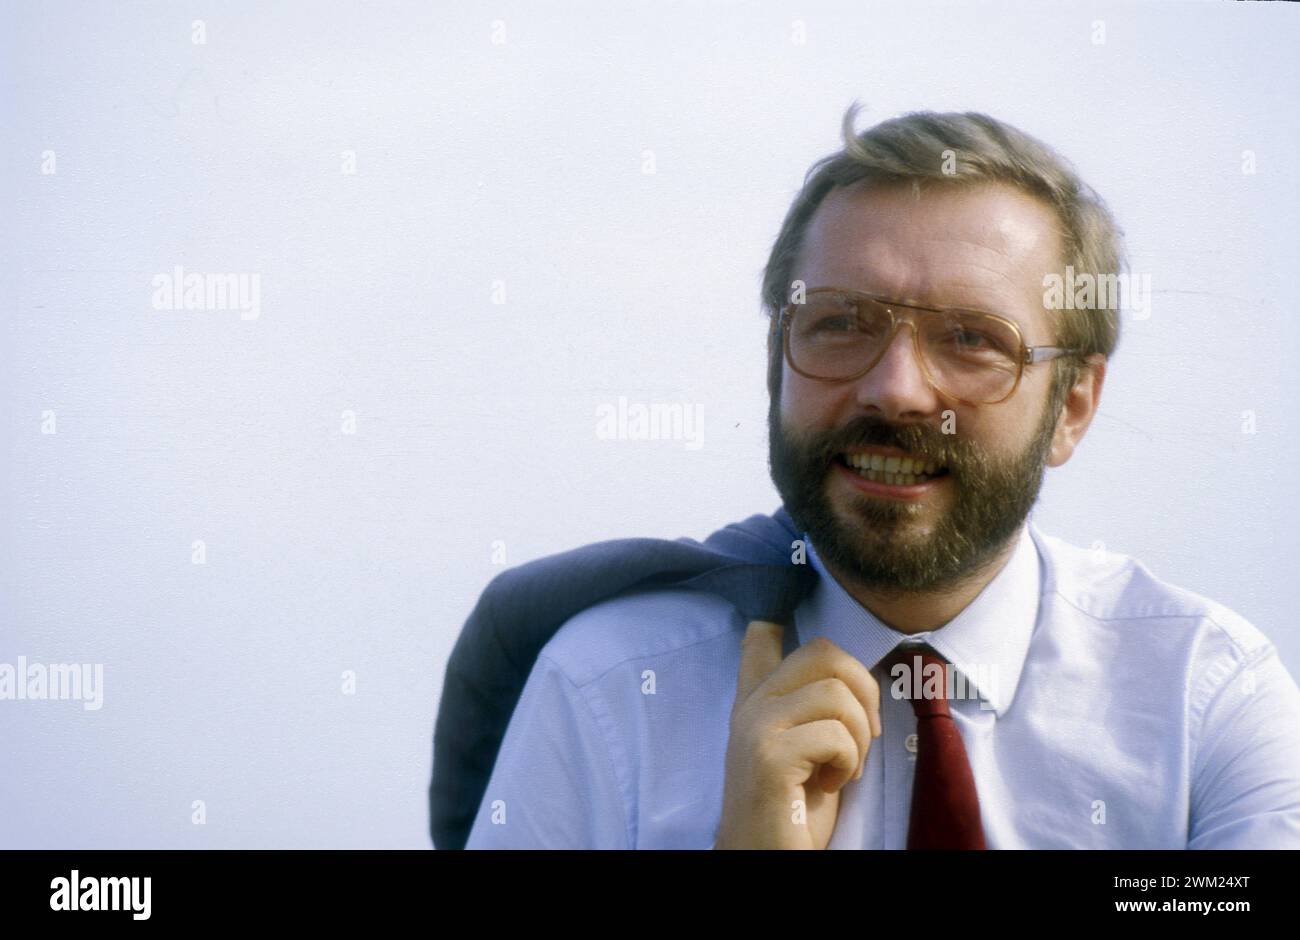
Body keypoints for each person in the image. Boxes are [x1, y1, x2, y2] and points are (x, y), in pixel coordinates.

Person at [462, 105, 1300, 849]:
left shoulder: (1206, 700)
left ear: (1073, 404)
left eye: (972, 338)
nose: (895, 389)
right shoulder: (605, 695)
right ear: (773, 365)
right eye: (839, 323)